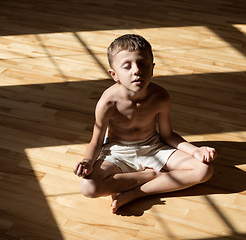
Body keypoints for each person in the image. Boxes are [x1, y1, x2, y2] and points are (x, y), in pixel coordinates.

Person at [73, 34, 217, 213]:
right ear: (114, 74)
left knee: (204, 170)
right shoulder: (107, 103)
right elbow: (96, 141)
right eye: (127, 66)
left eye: (142, 64)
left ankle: (136, 193)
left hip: (153, 147)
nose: (136, 70)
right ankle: (151, 176)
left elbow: (167, 135)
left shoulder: (160, 96)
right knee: (88, 188)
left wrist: (196, 151)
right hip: (118, 152)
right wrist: (87, 161)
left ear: (152, 69)